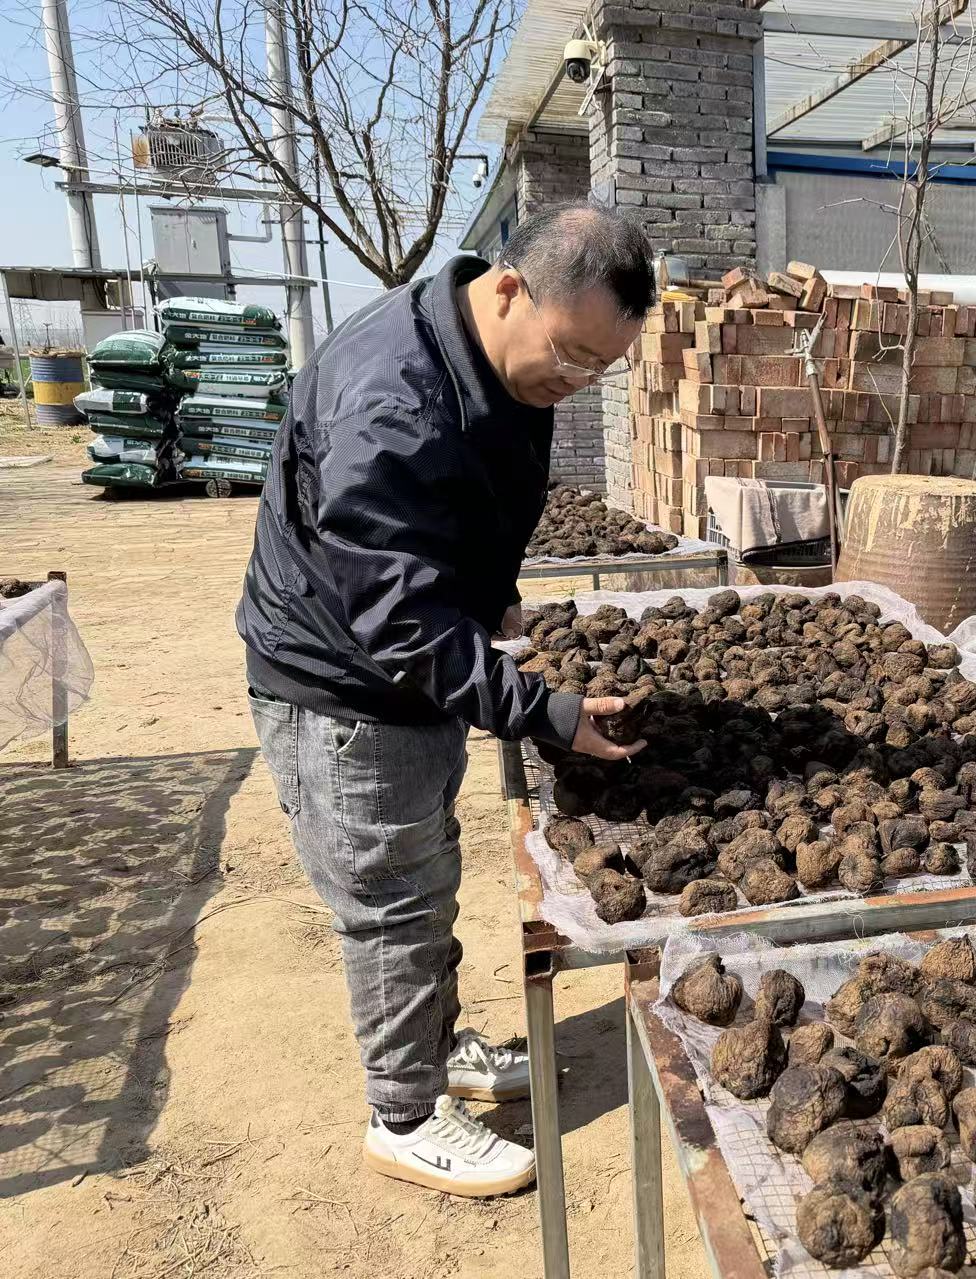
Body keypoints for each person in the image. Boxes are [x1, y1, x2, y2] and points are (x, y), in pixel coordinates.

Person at [236, 202, 656, 1197]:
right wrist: (550, 713)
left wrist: (489, 593)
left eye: (602, 367)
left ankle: (434, 1047)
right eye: (572, 354)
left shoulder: (492, 354)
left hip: (397, 668)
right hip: (344, 686)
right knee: (390, 898)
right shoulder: (390, 396)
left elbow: (468, 505)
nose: (577, 380)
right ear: (508, 288)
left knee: (424, 873)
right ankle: (405, 1114)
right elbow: (402, 622)